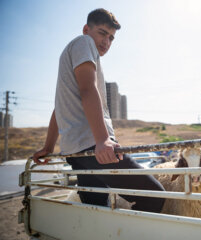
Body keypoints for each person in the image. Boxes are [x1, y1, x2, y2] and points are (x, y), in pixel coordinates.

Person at [33, 8, 165, 212]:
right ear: (87, 29)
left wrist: (49, 146)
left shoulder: (74, 54)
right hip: (94, 148)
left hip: (77, 153)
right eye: (102, 33)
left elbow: (58, 108)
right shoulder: (83, 43)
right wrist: (102, 139)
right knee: (155, 196)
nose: (107, 42)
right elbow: (88, 90)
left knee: (97, 209)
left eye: (112, 38)